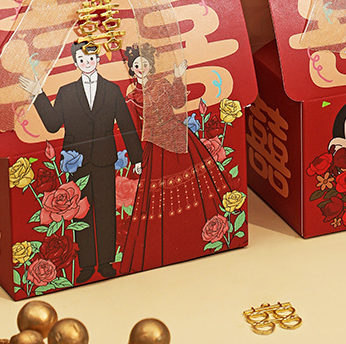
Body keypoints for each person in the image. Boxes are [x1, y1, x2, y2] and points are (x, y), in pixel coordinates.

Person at [20, 41, 143, 284]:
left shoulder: (112, 90)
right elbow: (53, 124)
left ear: (98, 59)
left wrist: (137, 158)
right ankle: (86, 264)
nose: (87, 63)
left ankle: (106, 262)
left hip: (105, 159)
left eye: (91, 58)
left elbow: (126, 124)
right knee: (79, 212)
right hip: (76, 161)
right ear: (76, 63)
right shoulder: (66, 92)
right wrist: (37, 94)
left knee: (106, 210)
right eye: (82, 60)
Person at [118, 43, 237, 274]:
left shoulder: (162, 84)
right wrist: (137, 158)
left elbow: (178, 103)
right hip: (153, 145)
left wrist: (178, 77)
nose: (141, 68)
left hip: (177, 136)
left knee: (195, 187)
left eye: (144, 63)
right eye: (136, 65)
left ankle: (201, 233)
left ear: (151, 66)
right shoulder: (131, 97)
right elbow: (135, 128)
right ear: (131, 69)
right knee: (159, 198)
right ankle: (168, 242)